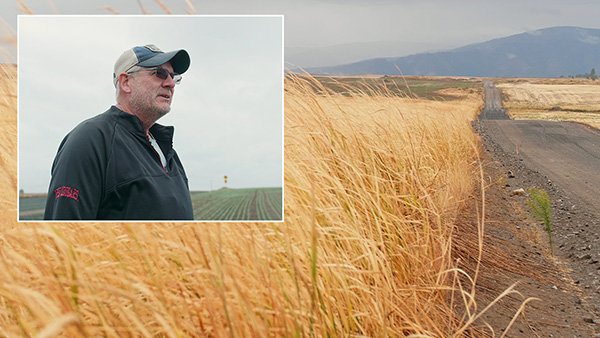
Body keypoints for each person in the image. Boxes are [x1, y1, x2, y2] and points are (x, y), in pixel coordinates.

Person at [44, 44, 194, 220]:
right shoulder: (90, 140)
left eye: (174, 76)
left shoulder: (166, 149)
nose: (170, 84)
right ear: (126, 82)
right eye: (159, 73)